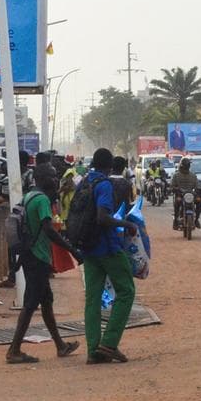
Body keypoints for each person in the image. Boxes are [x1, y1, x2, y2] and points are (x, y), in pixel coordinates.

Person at [6, 162, 83, 364]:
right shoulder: (41, 200)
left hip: (32, 255)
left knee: (46, 301)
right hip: (37, 257)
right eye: (50, 176)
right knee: (31, 304)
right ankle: (13, 350)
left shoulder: (29, 195)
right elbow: (48, 229)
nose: (55, 179)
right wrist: (72, 250)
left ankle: (60, 345)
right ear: (41, 179)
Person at [78, 148, 138, 365]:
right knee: (126, 291)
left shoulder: (84, 182)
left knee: (92, 299)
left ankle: (93, 350)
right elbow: (103, 218)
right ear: (110, 165)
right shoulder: (103, 185)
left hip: (88, 248)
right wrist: (127, 224)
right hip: (107, 247)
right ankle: (110, 343)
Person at [171, 157, 201, 230]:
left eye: (188, 165)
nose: (187, 166)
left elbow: (197, 185)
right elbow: (172, 186)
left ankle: (196, 219)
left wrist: (198, 190)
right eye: (186, 165)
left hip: (190, 195)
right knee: (177, 202)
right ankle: (175, 220)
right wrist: (175, 189)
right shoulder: (176, 175)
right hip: (180, 194)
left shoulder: (193, 175)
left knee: (199, 201)